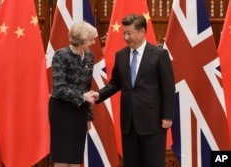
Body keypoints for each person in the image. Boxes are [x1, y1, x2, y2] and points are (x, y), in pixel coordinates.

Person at [93, 14, 175, 167]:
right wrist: (99, 95)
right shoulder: (121, 55)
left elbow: (168, 87)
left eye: (129, 33)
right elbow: (115, 83)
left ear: (142, 32)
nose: (126, 37)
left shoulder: (159, 55)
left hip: (153, 122)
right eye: (124, 32)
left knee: (153, 163)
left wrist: (167, 116)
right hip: (129, 122)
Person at [48, 20, 97, 167]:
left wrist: (88, 117)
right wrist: (82, 97)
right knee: (63, 156)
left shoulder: (89, 57)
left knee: (76, 156)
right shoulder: (61, 55)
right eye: (91, 39)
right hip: (61, 111)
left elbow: (87, 87)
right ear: (81, 39)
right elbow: (59, 87)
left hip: (79, 111)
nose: (93, 42)